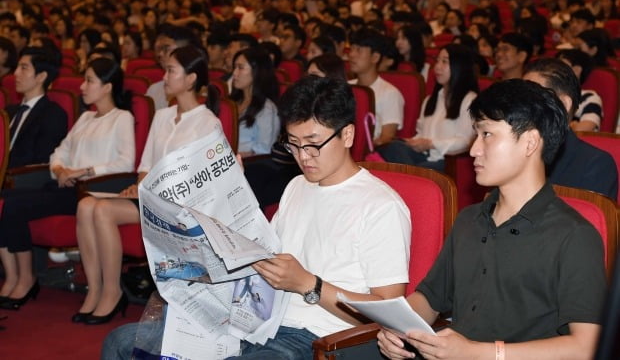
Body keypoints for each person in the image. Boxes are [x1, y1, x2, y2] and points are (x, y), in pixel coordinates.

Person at [102, 75, 411, 359]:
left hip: (317, 337)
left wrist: (309, 284)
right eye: (294, 144)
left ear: (347, 135)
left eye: (313, 144)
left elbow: (386, 311)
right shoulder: (297, 186)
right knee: (120, 342)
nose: (304, 156)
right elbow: (261, 256)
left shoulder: (380, 205)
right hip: (255, 323)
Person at [377, 79, 606, 360]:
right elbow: (428, 299)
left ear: (530, 142)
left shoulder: (574, 235)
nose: (474, 149)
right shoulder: (469, 219)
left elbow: (584, 347)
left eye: (487, 134)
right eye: (476, 134)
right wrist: (398, 329)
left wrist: (479, 353)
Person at [73, 45, 222, 325]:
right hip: (149, 198)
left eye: (171, 70)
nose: (164, 76)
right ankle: (95, 289)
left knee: (102, 210)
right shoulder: (163, 116)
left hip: (179, 207)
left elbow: (202, 180)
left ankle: (113, 292)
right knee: (86, 205)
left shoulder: (207, 123)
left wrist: (150, 190)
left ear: (191, 79)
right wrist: (139, 186)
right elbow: (145, 165)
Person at [0, 57, 135, 310]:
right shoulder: (85, 119)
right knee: (6, 199)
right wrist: (60, 169)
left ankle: (26, 278)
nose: (82, 87)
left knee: (14, 208)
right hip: (65, 186)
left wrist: (84, 171)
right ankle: (13, 276)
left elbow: (125, 164)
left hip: (91, 192)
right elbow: (60, 152)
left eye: (90, 81)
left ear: (107, 87)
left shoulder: (122, 117)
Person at [522, 58, 618, 200]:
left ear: (563, 104)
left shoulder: (594, 164)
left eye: (531, 98)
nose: (520, 106)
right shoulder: (512, 150)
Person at [378, 44, 478, 171]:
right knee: (393, 147)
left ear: (459, 67)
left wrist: (431, 144)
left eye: (444, 62)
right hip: (423, 156)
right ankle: (411, 175)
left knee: (417, 169)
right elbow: (421, 133)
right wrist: (413, 142)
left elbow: (466, 141)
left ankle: (411, 175)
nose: (437, 67)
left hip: (446, 161)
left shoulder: (469, 100)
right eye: (437, 61)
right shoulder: (430, 99)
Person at [6, 45, 67, 169]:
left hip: (20, 181)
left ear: (41, 77)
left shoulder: (53, 115)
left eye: (24, 68)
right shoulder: (9, 111)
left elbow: (40, 161)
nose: (16, 73)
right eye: (17, 67)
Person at [348, 28, 404, 147]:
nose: (352, 55)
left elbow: (386, 138)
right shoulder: (345, 86)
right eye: (352, 48)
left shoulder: (390, 93)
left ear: (375, 57)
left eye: (359, 50)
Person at [231, 46, 280, 157]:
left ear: (257, 71)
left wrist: (231, 159)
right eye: (234, 67)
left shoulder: (267, 109)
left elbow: (264, 150)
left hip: (249, 166)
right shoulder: (232, 102)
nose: (234, 73)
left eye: (240, 68)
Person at [555, 49, 603, 132]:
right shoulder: (549, 93)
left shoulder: (589, 97)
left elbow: (583, 129)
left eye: (561, 66)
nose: (554, 70)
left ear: (577, 70)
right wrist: (571, 125)